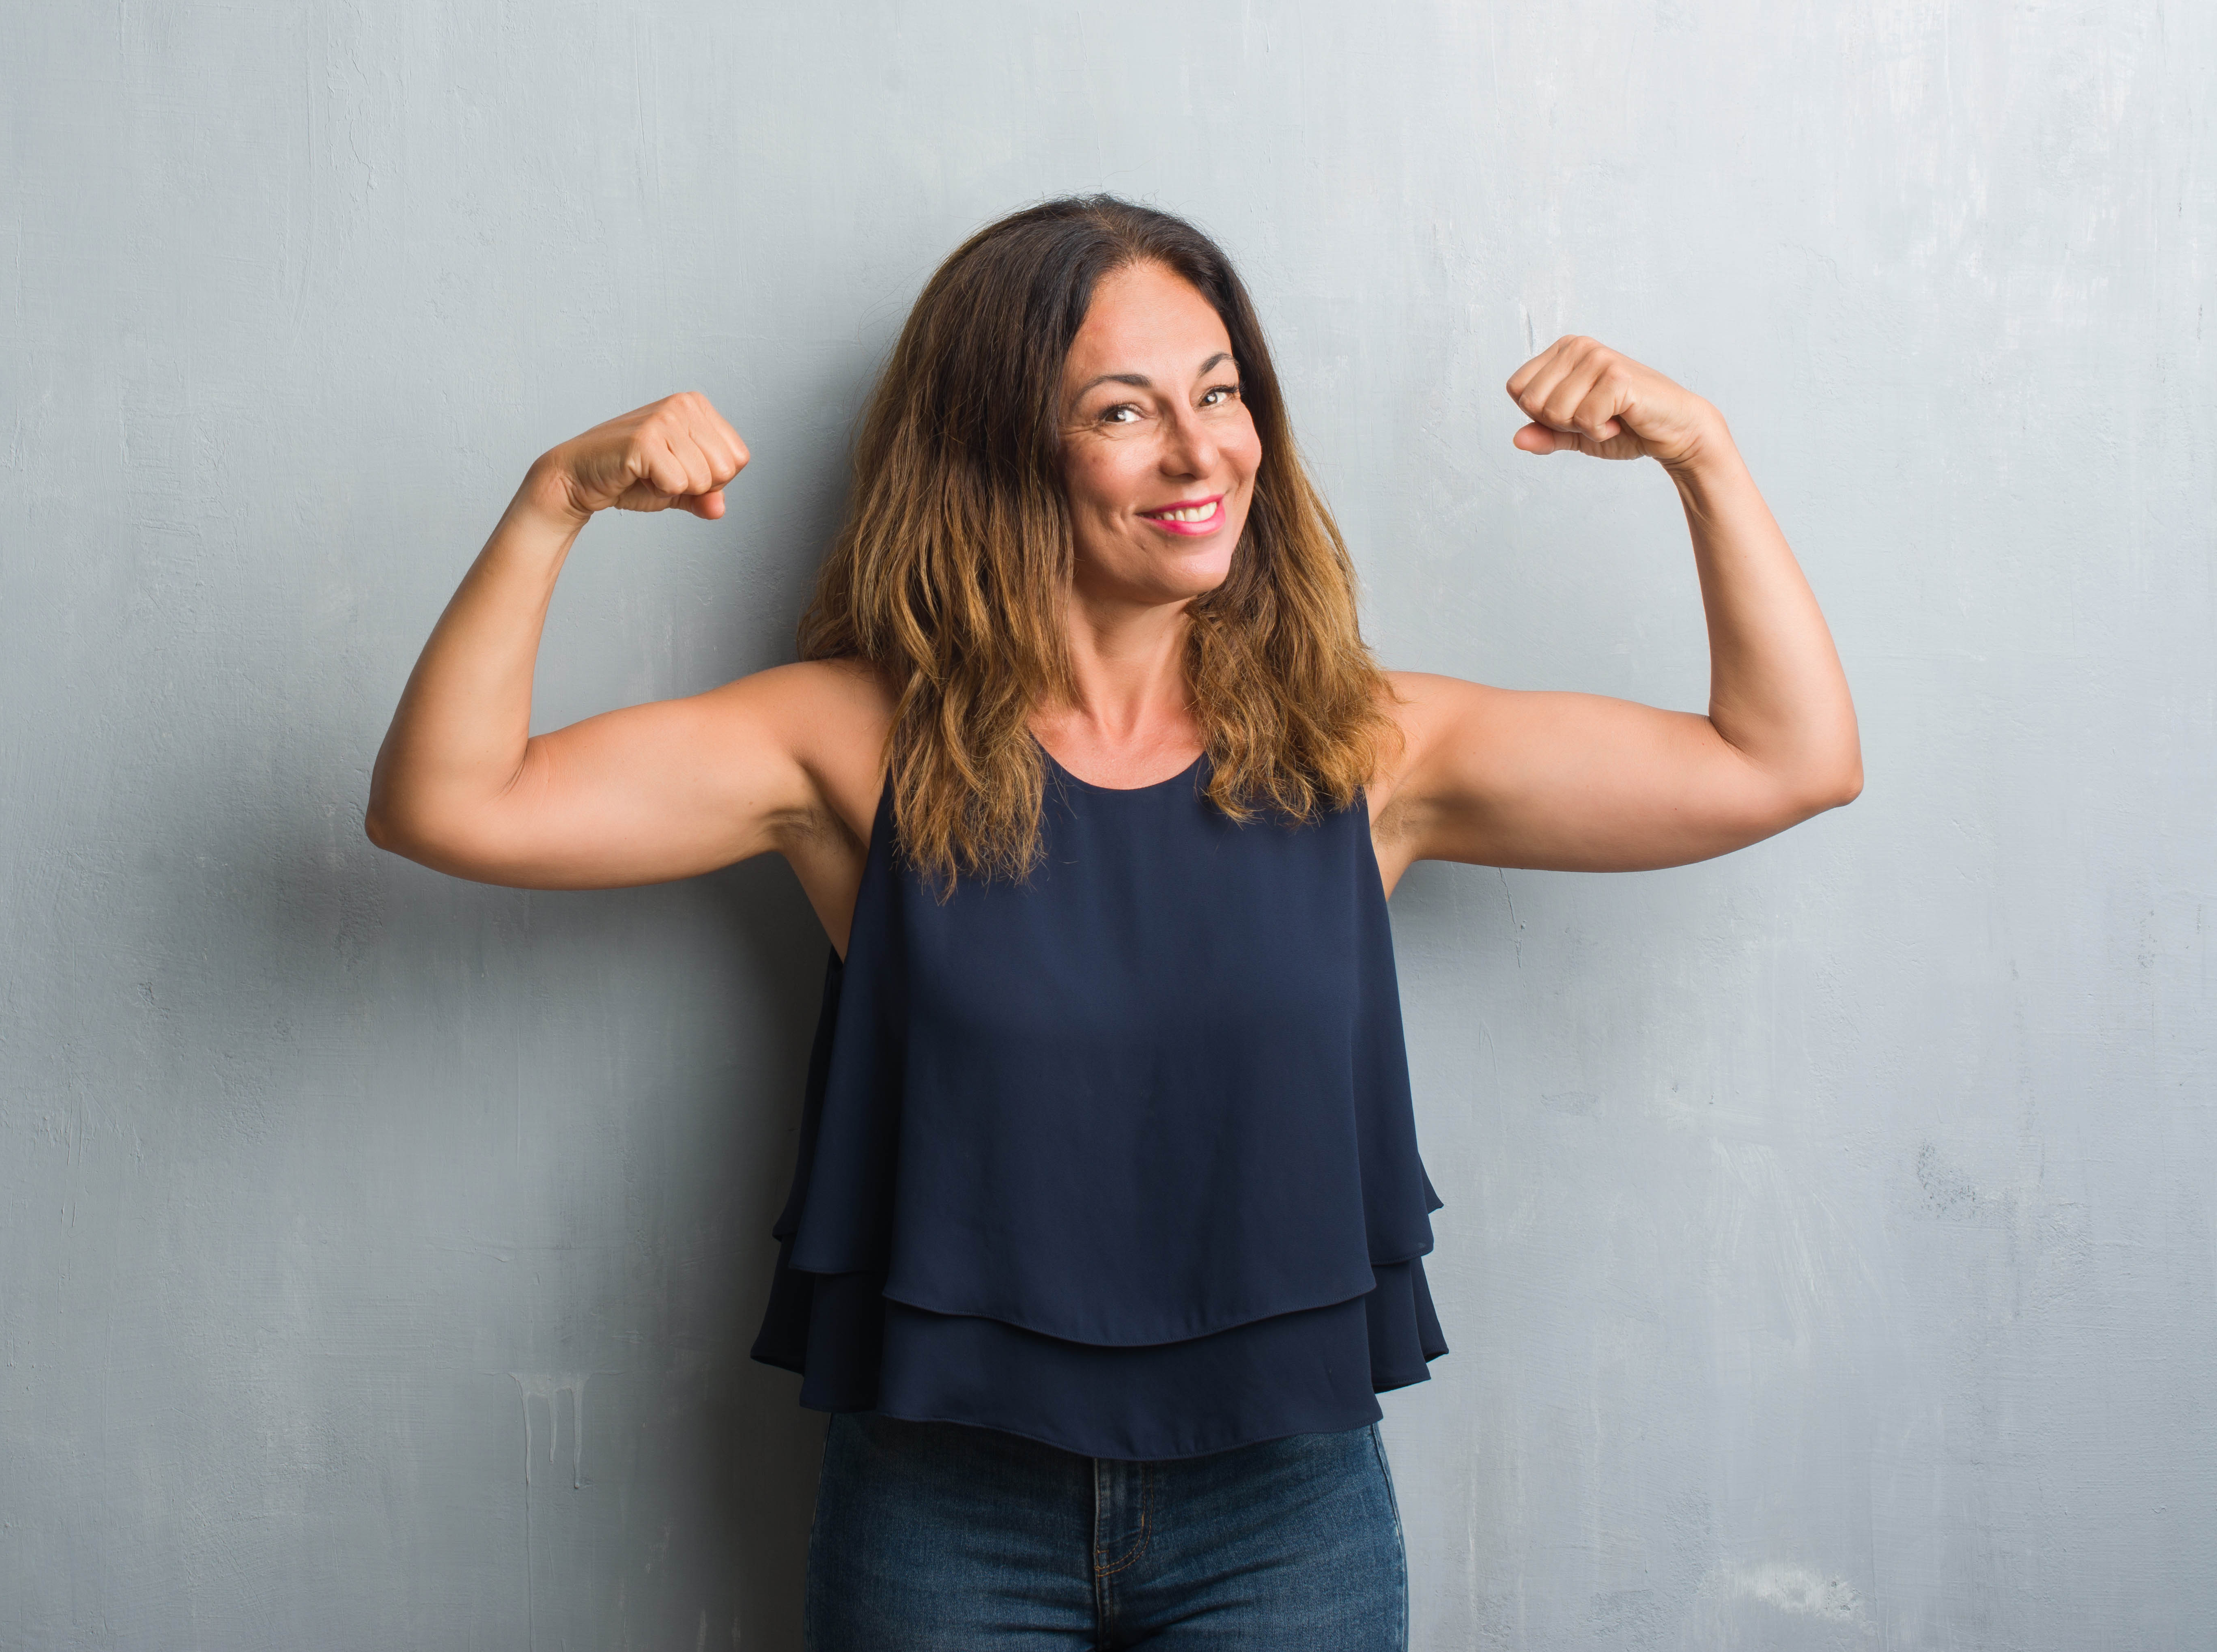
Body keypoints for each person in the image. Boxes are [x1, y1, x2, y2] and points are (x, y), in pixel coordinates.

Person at [364, 195, 1859, 1650]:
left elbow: (1784, 761)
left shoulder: (1364, 744)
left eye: (1221, 392)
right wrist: (552, 503)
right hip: (946, 1513)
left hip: (1286, 1511)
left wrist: (1703, 457)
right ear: (1005, 449)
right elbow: (450, 802)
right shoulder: (848, 743)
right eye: (1126, 411)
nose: (1204, 449)